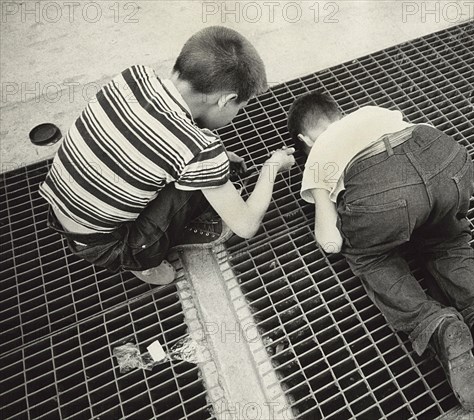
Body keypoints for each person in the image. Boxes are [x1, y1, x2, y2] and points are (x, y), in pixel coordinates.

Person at [287, 92, 474, 415]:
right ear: (340, 111)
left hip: (381, 192)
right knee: (448, 239)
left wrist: (327, 201)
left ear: (305, 139)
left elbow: (330, 241)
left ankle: (437, 324)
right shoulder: (371, 111)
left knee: (371, 258)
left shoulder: (319, 152)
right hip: (446, 159)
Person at [39, 26, 295, 285]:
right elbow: (247, 225)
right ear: (226, 99)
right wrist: (272, 166)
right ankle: (141, 262)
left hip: (60, 210)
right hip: (107, 246)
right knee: (204, 179)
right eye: (240, 107)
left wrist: (220, 158)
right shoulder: (199, 150)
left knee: (202, 168)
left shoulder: (132, 78)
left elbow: (140, 139)